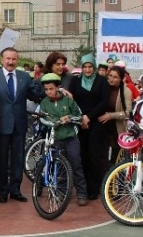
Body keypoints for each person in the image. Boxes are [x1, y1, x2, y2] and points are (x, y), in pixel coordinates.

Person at [0, 48, 44, 203]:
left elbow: (37, 94)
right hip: (1, 124)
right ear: (2, 59)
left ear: (17, 60)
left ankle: (15, 190)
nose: (10, 62)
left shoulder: (25, 77)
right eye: (8, 58)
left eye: (14, 59)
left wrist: (58, 91)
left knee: (18, 159)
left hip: (19, 124)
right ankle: (3, 191)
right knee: (1, 159)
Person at [38, 73, 88, 206]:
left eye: (51, 88)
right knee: (59, 166)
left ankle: (82, 193)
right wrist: (51, 123)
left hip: (71, 137)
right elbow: (41, 118)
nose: (49, 92)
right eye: (46, 89)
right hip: (56, 139)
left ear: (58, 87)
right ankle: (62, 192)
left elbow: (79, 115)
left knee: (76, 163)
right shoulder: (44, 103)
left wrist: (69, 118)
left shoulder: (68, 100)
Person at [69, 54, 110, 200]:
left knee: (94, 156)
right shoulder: (76, 80)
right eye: (85, 67)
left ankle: (95, 188)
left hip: (96, 123)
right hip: (80, 123)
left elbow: (103, 102)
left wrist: (89, 116)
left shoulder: (102, 81)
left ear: (94, 67)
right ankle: (83, 188)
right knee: (82, 156)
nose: (87, 70)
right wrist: (80, 117)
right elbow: (72, 100)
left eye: (90, 67)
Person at [98, 66, 133, 166]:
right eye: (110, 76)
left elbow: (127, 113)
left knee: (116, 155)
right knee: (101, 154)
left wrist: (111, 115)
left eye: (115, 77)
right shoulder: (103, 87)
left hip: (117, 127)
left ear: (121, 79)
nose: (111, 79)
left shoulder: (125, 91)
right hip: (102, 125)